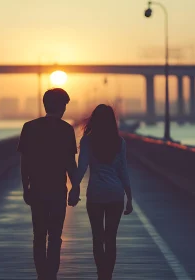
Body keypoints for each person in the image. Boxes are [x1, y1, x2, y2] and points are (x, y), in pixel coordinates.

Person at [17, 88, 80, 280]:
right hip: (57, 191)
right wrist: (75, 188)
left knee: (39, 235)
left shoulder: (29, 127)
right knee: (55, 236)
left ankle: (41, 274)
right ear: (61, 107)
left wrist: (25, 187)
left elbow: (24, 162)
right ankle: (51, 273)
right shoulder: (66, 129)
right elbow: (71, 163)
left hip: (37, 190)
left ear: (45, 104)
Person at [73, 104, 133, 280]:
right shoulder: (119, 142)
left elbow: (82, 166)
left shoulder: (87, 141)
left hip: (96, 194)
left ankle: (101, 274)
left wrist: (75, 187)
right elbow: (123, 171)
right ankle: (109, 275)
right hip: (116, 194)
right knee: (111, 237)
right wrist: (129, 197)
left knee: (97, 236)